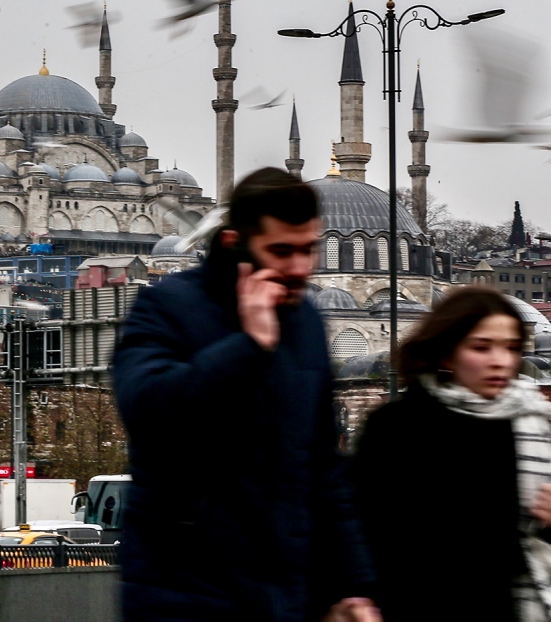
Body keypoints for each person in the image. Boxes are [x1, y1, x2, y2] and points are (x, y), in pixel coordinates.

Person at [113, 168, 378, 622]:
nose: (298, 268)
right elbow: (150, 412)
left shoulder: (307, 322)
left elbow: (321, 469)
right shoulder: (166, 306)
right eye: (281, 251)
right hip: (183, 591)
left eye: (308, 250)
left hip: (282, 592)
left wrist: (352, 586)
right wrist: (247, 347)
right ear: (236, 242)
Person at [352, 287, 551, 622]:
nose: (499, 361)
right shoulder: (397, 428)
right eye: (481, 347)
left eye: (511, 348)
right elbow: (373, 536)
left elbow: (544, 545)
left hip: (506, 606)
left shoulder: (527, 422)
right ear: (447, 352)